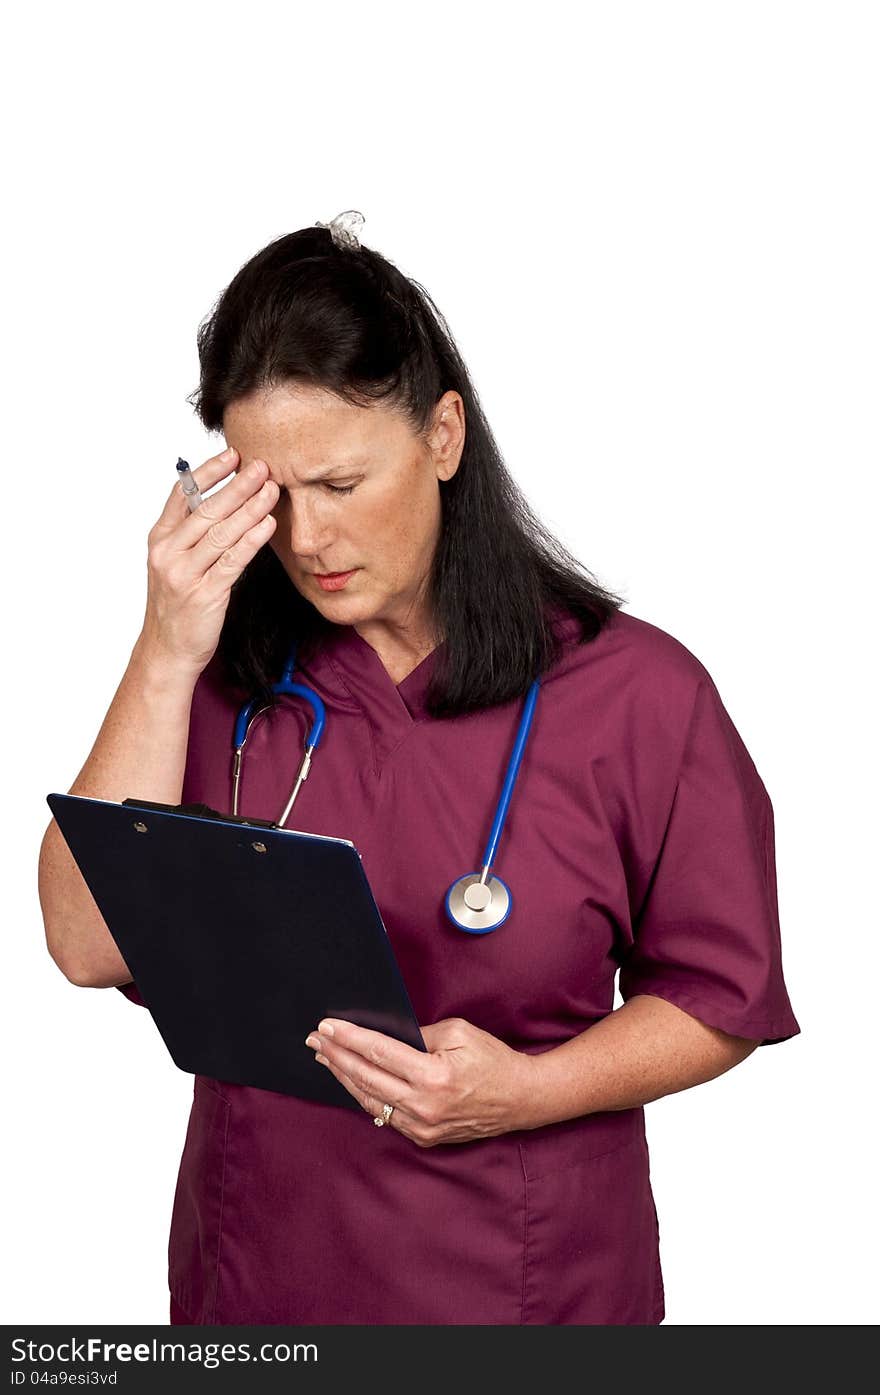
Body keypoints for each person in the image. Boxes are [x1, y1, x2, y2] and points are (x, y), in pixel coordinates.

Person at [38, 211, 800, 1326]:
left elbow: (721, 994)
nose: (304, 541)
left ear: (442, 438)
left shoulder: (638, 695)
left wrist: (526, 1092)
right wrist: (164, 642)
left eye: (341, 485)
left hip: (530, 1289)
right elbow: (84, 941)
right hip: (257, 1287)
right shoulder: (220, 685)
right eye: (268, 494)